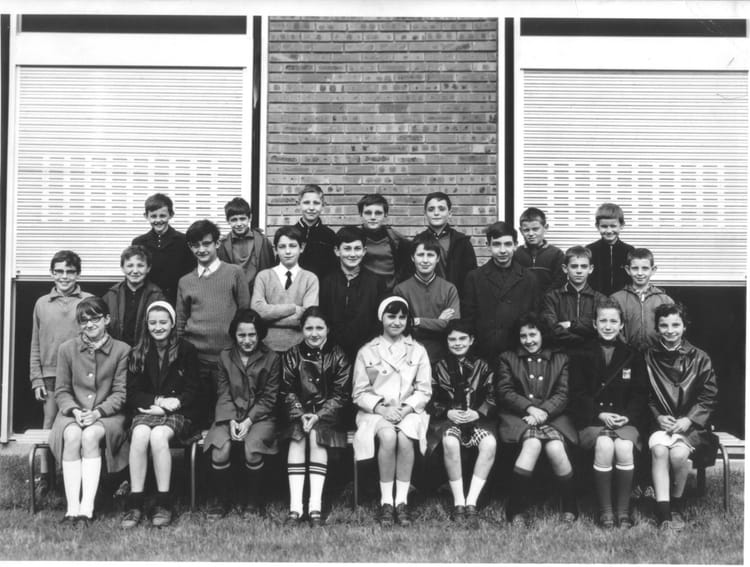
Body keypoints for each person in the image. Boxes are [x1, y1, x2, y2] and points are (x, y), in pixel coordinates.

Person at [49, 297, 130, 525]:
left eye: (95, 318)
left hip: (108, 415)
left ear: (107, 320)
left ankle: (87, 509)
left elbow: (120, 393)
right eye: (84, 320)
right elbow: (62, 390)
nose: (90, 324)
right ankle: (72, 509)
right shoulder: (67, 349)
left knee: (90, 436)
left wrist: (98, 413)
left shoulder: (122, 350)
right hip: (72, 413)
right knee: (73, 435)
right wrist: (75, 411)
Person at [568, 299, 648, 529]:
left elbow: (640, 393)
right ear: (594, 324)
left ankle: (623, 510)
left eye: (613, 321)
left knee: (623, 447)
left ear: (621, 325)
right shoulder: (581, 353)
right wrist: (600, 414)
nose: (608, 326)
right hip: (593, 420)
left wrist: (627, 416)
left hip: (624, 420)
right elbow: (576, 393)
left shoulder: (633, 355)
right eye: (603, 321)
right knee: (604, 445)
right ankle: (606, 511)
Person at [352, 297, 432, 527]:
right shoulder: (367, 351)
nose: (397, 322)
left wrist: (405, 410)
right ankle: (386, 501)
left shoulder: (418, 351)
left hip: (409, 411)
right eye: (391, 316)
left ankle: (401, 501)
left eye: (402, 317)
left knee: (406, 437)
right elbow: (359, 393)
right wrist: (382, 409)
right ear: (381, 318)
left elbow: (424, 390)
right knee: (388, 436)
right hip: (375, 413)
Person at [120, 301, 200, 529]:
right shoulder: (138, 352)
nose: (158, 327)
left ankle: (163, 501)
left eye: (163, 322)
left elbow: (194, 389)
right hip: (148, 410)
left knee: (158, 436)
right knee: (140, 434)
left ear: (172, 323)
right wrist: (157, 402)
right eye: (153, 323)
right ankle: (135, 500)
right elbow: (132, 393)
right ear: (147, 324)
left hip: (178, 412)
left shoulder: (186, 350)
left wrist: (171, 405)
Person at [495, 313, 578, 525]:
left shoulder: (561, 358)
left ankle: (570, 504)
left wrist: (545, 412)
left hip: (553, 415)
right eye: (523, 336)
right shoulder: (508, 358)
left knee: (555, 448)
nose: (528, 340)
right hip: (519, 415)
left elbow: (563, 394)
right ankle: (515, 508)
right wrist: (529, 408)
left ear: (543, 335)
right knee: (531, 444)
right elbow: (505, 391)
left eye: (533, 335)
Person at [645, 302, 718, 531]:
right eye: (664, 325)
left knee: (678, 455)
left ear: (684, 326)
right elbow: (644, 394)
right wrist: (658, 417)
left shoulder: (700, 357)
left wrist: (689, 419)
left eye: (676, 325)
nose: (670, 331)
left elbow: (708, 396)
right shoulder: (648, 357)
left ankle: (676, 502)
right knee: (659, 451)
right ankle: (664, 512)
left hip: (692, 425)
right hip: (659, 423)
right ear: (657, 328)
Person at [203, 309, 281, 519]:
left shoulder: (272, 358)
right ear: (234, 335)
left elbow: (269, 398)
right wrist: (230, 420)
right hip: (228, 414)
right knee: (220, 450)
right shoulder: (225, 356)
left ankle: (253, 501)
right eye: (242, 335)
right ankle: (222, 500)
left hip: (260, 417)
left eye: (252, 335)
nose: (247, 340)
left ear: (259, 334)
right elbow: (223, 392)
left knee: (252, 450)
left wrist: (248, 421)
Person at [280, 307, 352, 527]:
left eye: (319, 328)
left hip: (329, 417)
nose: (314, 333)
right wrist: (301, 414)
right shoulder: (292, 354)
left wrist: (319, 415)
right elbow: (286, 391)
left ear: (327, 329)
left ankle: (315, 507)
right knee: (298, 436)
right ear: (302, 329)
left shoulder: (338, 355)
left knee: (316, 436)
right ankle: (295, 508)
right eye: (309, 328)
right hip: (298, 415)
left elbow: (341, 395)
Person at [29, 250, 93, 495]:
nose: (64, 277)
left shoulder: (88, 300)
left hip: (80, 373)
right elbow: (35, 342)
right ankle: (47, 476)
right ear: (52, 273)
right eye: (59, 271)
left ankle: (78, 473)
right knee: (49, 422)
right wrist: (36, 378)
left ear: (78, 274)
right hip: (50, 374)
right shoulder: (42, 303)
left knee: (79, 423)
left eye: (70, 272)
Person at [176, 219, 251, 426]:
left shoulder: (234, 273)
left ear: (217, 243)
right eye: (195, 245)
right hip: (196, 358)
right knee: (199, 415)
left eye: (206, 243)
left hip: (227, 356)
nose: (201, 249)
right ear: (190, 247)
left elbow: (245, 314)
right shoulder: (185, 281)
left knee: (227, 413)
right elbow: (180, 322)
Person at [427, 319, 496, 521]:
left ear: (471, 340)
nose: (457, 343)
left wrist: (479, 412)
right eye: (452, 339)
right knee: (450, 442)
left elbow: (493, 395)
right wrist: (446, 411)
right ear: (447, 341)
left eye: (462, 338)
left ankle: (471, 501)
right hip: (448, 421)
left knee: (489, 444)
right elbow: (430, 397)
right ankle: (459, 502)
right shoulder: (438, 366)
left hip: (476, 420)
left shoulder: (483, 365)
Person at [461, 221, 540, 361]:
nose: (503, 250)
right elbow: (468, 321)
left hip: (518, 355)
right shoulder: (474, 278)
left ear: (515, 245)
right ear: (488, 246)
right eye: (497, 244)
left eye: (508, 244)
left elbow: (535, 318)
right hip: (484, 355)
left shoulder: (529, 279)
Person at [319, 226, 387, 363]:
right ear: (337, 251)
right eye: (347, 248)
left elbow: (379, 322)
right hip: (332, 354)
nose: (352, 254)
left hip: (368, 354)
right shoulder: (326, 282)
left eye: (357, 249)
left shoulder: (376, 283)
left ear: (364, 251)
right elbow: (323, 317)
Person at [251, 225, 319, 352]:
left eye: (292, 246)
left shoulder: (310, 278)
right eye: (282, 247)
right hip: (267, 349)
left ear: (302, 248)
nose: (287, 252)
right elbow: (257, 312)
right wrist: (293, 308)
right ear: (275, 249)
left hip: (299, 351)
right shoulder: (263, 276)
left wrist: (269, 318)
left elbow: (308, 317)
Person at [394, 235, 460, 364]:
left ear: (438, 258)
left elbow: (453, 325)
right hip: (410, 357)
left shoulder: (449, 289)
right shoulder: (400, 290)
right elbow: (402, 326)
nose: (425, 260)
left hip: (443, 358)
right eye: (420, 255)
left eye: (430, 255)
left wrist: (417, 321)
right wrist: (439, 322)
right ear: (412, 257)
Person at [132, 193, 195, 305]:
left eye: (162, 216)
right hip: (148, 299)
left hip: (178, 299)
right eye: (153, 216)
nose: (158, 220)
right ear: (146, 216)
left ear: (171, 215)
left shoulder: (183, 241)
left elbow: (191, 274)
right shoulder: (139, 243)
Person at [411, 191, 477, 296]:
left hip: (455, 298)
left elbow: (471, 279)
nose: (436, 213)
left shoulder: (462, 242)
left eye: (441, 209)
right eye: (431, 209)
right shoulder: (417, 242)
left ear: (450, 213)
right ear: (425, 214)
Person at [542, 246, 606, 353]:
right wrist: (583, 340)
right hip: (561, 354)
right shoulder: (552, 297)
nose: (579, 271)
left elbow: (600, 326)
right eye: (574, 266)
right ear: (565, 268)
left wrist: (570, 325)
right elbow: (551, 329)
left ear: (590, 269)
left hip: (591, 354)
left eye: (584, 266)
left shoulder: (600, 299)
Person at [611, 248, 673, 353]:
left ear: (653, 270)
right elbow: (612, 329)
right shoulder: (616, 299)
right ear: (628, 270)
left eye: (645, 268)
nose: (640, 273)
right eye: (635, 268)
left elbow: (671, 329)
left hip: (657, 355)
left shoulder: (665, 300)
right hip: (626, 355)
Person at [103, 245, 165, 346]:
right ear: (122, 268)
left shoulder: (157, 296)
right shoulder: (111, 295)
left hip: (146, 350)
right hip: (117, 351)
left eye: (140, 266)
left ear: (148, 268)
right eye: (130, 266)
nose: (135, 271)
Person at [217, 197, 275, 295]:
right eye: (234, 220)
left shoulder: (263, 241)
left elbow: (271, 269)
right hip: (233, 296)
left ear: (250, 218)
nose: (239, 224)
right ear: (228, 221)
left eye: (242, 219)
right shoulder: (222, 245)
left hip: (258, 295)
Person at [356, 193, 410, 292]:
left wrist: (397, 285)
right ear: (360, 214)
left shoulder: (395, 239)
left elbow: (405, 267)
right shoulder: (355, 239)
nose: (373, 217)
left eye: (378, 213)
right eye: (368, 213)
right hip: (363, 291)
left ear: (385, 214)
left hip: (390, 291)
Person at [585, 203, 635, 296]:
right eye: (604, 226)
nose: (609, 231)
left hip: (623, 300)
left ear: (621, 225)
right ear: (597, 226)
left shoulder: (629, 251)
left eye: (613, 226)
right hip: (595, 299)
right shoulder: (590, 250)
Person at [514, 207, 565, 294]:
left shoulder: (556, 254)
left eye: (535, 229)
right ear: (521, 231)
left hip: (549, 300)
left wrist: (546, 298)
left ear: (545, 228)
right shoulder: (517, 253)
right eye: (526, 230)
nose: (531, 234)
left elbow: (559, 282)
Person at [296, 184, 338, 279]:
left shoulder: (329, 235)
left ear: (323, 205)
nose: (311, 208)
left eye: (316, 203)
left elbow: (334, 269)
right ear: (298, 204)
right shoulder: (289, 234)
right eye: (306, 202)